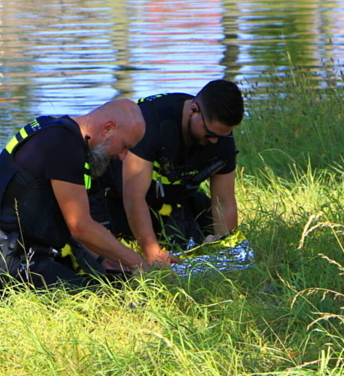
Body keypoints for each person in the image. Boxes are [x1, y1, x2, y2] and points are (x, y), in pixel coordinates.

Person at [0, 98, 149, 296]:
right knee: (102, 305)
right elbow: (80, 226)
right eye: (124, 146)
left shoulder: (53, 128)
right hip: (10, 262)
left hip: (0, 252)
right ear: (108, 128)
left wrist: (106, 260)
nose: (123, 156)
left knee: (115, 285)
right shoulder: (64, 145)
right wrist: (138, 263)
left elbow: (71, 221)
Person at [90, 80, 245, 268]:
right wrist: (152, 252)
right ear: (193, 110)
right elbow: (133, 197)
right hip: (113, 197)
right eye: (209, 133)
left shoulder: (221, 139)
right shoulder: (152, 122)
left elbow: (224, 202)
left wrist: (226, 249)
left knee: (199, 231)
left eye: (222, 136)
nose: (214, 141)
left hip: (168, 199)